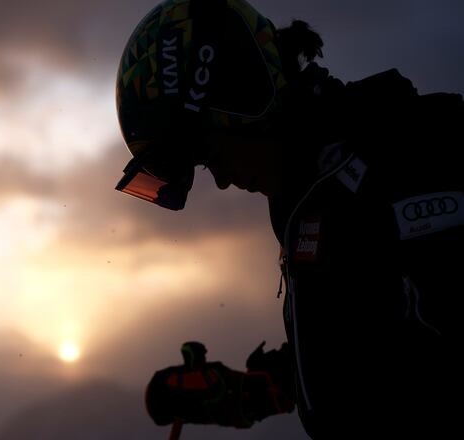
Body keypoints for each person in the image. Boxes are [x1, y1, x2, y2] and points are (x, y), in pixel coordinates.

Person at [113, 0, 460, 437]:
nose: (219, 180)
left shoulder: (414, 154)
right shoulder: (302, 196)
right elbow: (371, 338)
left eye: (212, 154)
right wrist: (258, 389)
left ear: (243, 99)